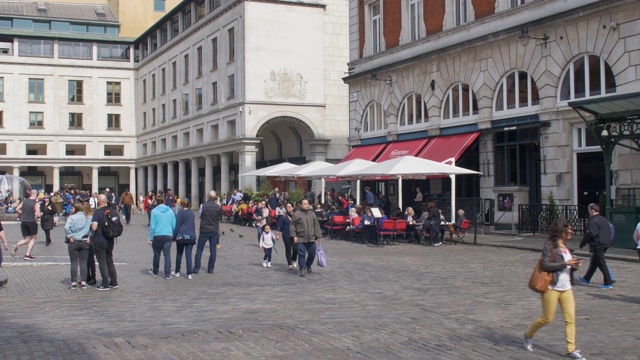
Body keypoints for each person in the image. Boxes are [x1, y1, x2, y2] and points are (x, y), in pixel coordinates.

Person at [524, 219, 586, 359]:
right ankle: (528, 335)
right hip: (551, 287)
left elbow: (569, 267)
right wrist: (565, 263)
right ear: (560, 231)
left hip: (567, 287)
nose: (571, 232)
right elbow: (545, 265)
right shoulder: (550, 246)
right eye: (568, 230)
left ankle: (571, 349)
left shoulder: (567, 247)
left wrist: (574, 265)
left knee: (570, 319)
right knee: (547, 318)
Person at [578, 203, 613, 289]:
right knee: (594, 261)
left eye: (589, 210)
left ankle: (608, 282)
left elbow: (591, 233)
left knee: (601, 263)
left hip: (598, 244)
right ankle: (587, 278)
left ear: (592, 210)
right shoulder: (604, 219)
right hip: (605, 243)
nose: (588, 212)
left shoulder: (593, 221)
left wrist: (583, 242)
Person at [90, 194, 118, 291]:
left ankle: (105, 283)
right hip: (110, 239)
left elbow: (94, 227)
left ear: (98, 201)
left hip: (100, 239)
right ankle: (114, 282)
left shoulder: (98, 213)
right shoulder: (112, 210)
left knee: (102, 261)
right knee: (109, 259)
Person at [290, 198, 322, 277]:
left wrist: (318, 235)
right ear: (300, 205)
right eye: (305, 204)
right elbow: (292, 226)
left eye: (307, 203)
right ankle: (302, 269)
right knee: (301, 254)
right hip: (301, 238)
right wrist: (294, 236)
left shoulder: (312, 213)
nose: (307, 205)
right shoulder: (296, 214)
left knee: (312, 253)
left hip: (311, 238)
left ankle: (308, 265)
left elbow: (316, 225)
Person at [193, 191, 222, 274]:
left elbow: (199, 215)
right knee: (213, 250)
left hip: (204, 229)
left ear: (208, 196)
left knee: (199, 249)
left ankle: (196, 268)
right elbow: (219, 217)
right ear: (215, 197)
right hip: (214, 230)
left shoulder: (203, 205)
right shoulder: (218, 207)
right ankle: (211, 268)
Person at [64, 202, 92, 289]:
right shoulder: (89, 217)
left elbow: (66, 227)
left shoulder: (72, 217)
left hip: (74, 241)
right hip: (84, 241)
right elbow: (93, 227)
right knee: (83, 262)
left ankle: (73, 282)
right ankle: (83, 281)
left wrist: (69, 236)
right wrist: (89, 236)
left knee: (74, 262)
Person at [148, 194, 176, 280]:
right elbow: (174, 224)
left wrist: (150, 238)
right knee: (167, 255)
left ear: (156, 202)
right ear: (164, 201)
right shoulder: (170, 211)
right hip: (168, 235)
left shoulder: (154, 211)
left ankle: (155, 271)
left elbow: (152, 226)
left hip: (157, 235)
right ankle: (167, 274)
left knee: (156, 254)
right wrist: (172, 234)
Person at [11, 189, 41, 260]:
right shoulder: (35, 203)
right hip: (31, 221)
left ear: (30, 194)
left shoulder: (24, 201)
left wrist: (23, 213)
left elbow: (17, 209)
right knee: (33, 238)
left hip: (23, 221)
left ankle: (16, 245)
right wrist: (38, 215)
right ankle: (27, 254)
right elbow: (38, 214)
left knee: (27, 239)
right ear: (36, 195)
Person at [173, 199, 196, 279]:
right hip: (190, 235)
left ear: (181, 205)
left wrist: (174, 236)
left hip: (181, 236)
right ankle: (189, 273)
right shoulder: (192, 213)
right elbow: (192, 225)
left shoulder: (179, 213)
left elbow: (177, 226)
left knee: (179, 254)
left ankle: (177, 271)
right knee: (188, 255)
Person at [276, 202, 297, 270]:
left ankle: (293, 259)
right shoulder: (283, 216)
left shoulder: (296, 216)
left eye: (290, 206)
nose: (288, 208)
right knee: (288, 249)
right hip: (286, 234)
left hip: (295, 235)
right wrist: (277, 234)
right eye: (287, 207)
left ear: (293, 207)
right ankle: (289, 263)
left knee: (295, 249)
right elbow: (279, 225)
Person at [83, 202, 97, 286]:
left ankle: (91, 277)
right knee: (87, 260)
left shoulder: (90, 218)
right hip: (89, 239)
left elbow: (93, 229)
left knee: (89, 259)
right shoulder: (89, 217)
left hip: (89, 239)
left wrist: (89, 236)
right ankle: (88, 276)